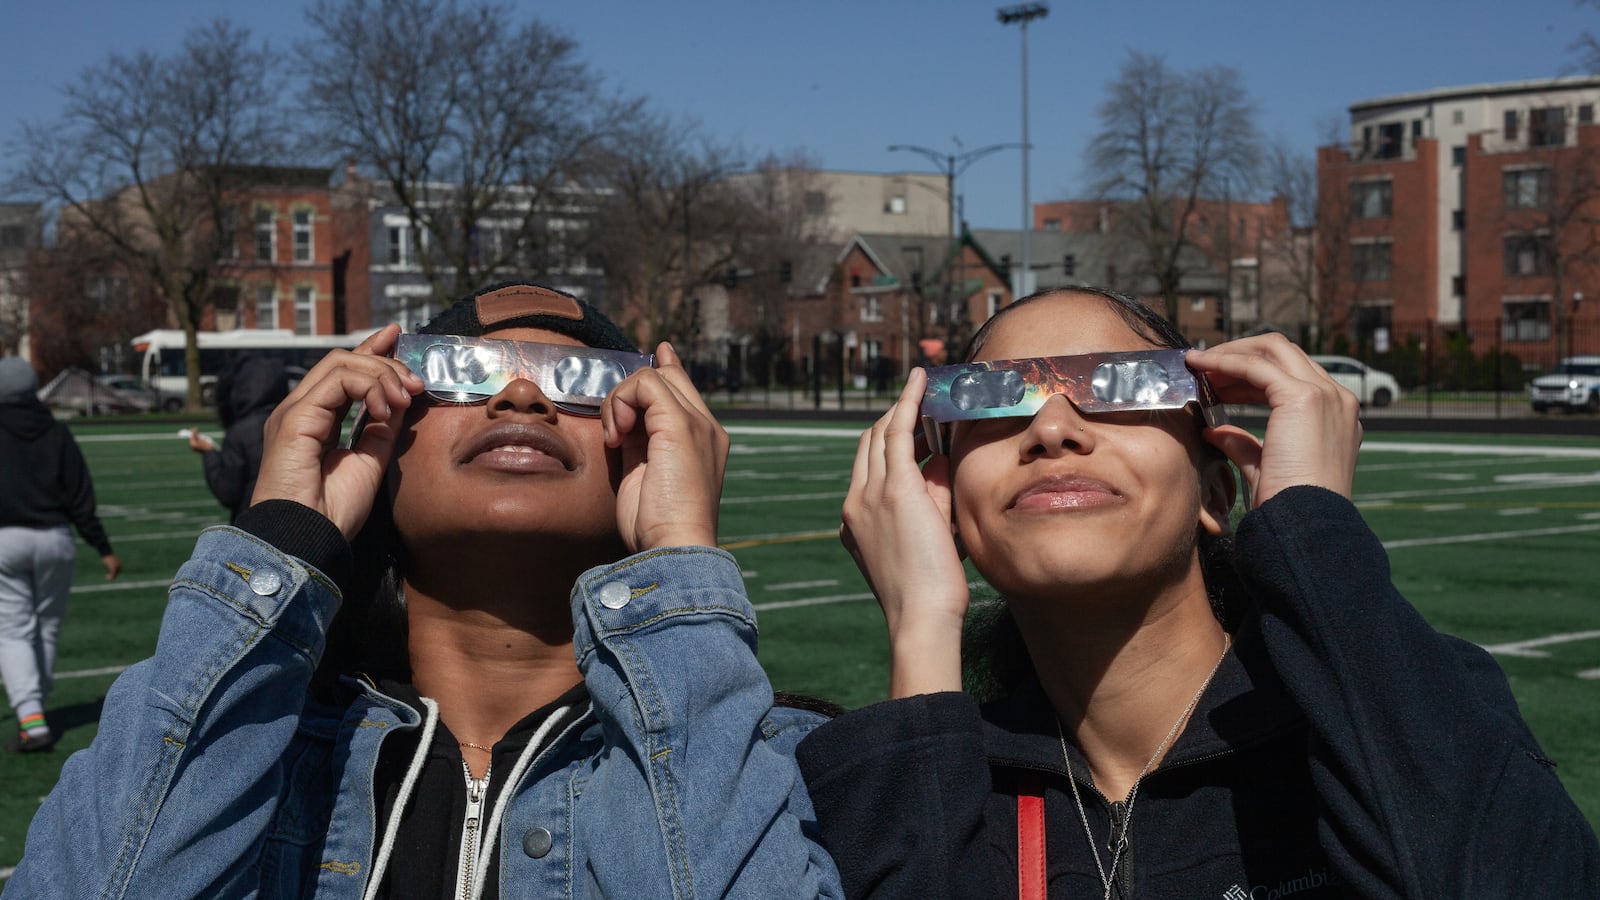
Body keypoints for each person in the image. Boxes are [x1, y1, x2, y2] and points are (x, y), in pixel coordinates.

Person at [8, 283, 841, 898]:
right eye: (462, 370)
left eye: (582, 381)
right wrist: (282, 539)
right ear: (380, 422)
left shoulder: (780, 768)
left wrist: (679, 557)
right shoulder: (253, 753)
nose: (521, 394)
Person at [796, 286, 1600, 899]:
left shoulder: (1390, 713)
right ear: (940, 500)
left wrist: (1312, 533)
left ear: (1217, 493)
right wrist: (920, 629)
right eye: (988, 398)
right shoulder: (924, 780)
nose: (1051, 428)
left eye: (1119, 385)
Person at [0, 356, 122, 753]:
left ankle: (31, 717)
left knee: (13, 629)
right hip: (55, 538)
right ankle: (37, 705)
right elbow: (80, 496)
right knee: (46, 626)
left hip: (5, 541)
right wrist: (102, 547)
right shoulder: (56, 432)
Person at [188, 355, 292, 523]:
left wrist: (209, 453)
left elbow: (228, 492)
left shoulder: (240, 432)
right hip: (294, 523)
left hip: (253, 525)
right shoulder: (296, 423)